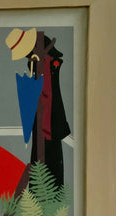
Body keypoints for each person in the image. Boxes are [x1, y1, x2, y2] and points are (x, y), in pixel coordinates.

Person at [6, 28, 70, 186]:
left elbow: (48, 92)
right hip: (42, 123)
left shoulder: (47, 62)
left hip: (50, 124)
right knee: (40, 166)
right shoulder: (35, 64)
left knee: (51, 165)